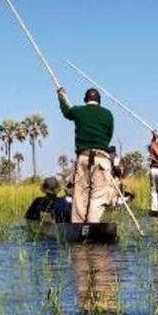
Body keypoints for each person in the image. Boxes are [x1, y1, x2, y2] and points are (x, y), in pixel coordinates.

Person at [58, 86, 115, 223]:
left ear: (85, 100)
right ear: (99, 101)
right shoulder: (108, 114)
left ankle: (78, 227)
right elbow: (109, 135)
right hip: (101, 159)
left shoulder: (79, 111)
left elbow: (67, 112)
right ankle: (92, 225)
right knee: (99, 196)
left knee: (80, 194)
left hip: (83, 158)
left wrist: (61, 97)